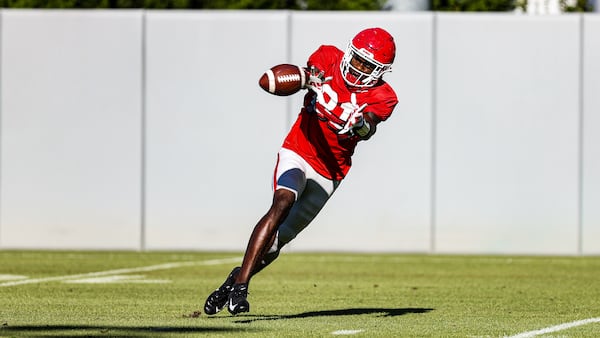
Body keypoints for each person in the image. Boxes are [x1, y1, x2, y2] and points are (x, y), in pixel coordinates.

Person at [203, 27, 398, 316]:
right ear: (348, 52)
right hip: (299, 150)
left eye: (366, 65)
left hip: (330, 172)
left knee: (276, 245)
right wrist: (306, 78)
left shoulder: (383, 96)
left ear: (380, 71)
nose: (357, 68)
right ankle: (242, 288)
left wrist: (359, 125)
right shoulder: (327, 57)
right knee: (283, 201)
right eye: (356, 59)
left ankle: (232, 281)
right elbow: (292, 77)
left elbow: (368, 125)